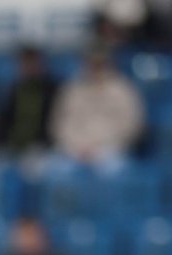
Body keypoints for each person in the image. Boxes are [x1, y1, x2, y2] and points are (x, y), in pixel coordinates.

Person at [48, 45, 145, 175]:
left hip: (110, 149)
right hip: (73, 149)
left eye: (100, 62)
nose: (95, 67)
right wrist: (76, 145)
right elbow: (59, 123)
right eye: (91, 62)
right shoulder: (72, 89)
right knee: (55, 172)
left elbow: (132, 125)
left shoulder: (123, 90)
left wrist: (99, 146)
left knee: (113, 172)